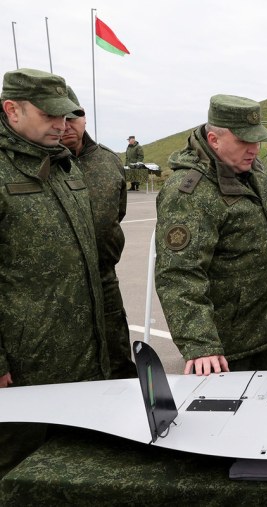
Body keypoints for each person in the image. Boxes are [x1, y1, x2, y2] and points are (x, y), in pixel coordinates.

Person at [0, 68, 109, 477]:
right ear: (12, 110)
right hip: (25, 369)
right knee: (19, 470)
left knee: (78, 467)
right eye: (49, 115)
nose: (62, 125)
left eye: (65, 115)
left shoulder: (64, 165)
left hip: (84, 358)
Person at [155, 95, 267, 375]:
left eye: (257, 140)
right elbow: (179, 273)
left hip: (256, 332)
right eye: (244, 141)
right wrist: (201, 343)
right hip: (221, 348)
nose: (255, 149)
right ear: (214, 140)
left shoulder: (250, 170)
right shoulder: (189, 192)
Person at [61, 86, 135, 379]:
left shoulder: (108, 160)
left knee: (118, 362)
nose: (67, 125)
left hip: (105, 282)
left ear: (84, 118)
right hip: (61, 291)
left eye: (73, 117)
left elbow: (117, 213)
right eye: (60, 118)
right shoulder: (46, 163)